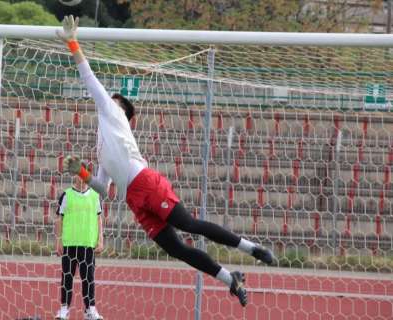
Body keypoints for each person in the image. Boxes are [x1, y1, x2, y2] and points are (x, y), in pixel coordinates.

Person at [56, 15, 275, 307]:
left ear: (121, 110)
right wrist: (83, 173)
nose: (110, 98)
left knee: (190, 224)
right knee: (176, 249)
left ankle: (253, 249)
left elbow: (89, 78)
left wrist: (73, 43)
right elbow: (104, 190)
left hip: (146, 183)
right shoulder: (102, 146)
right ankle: (230, 279)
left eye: (115, 99)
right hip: (134, 199)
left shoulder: (113, 113)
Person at [55, 176, 104, 320]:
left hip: (88, 244)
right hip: (69, 243)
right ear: (74, 176)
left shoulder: (95, 196)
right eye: (78, 174)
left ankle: (90, 309)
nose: (81, 178)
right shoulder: (66, 195)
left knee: (88, 278)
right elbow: (60, 218)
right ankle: (64, 309)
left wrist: (100, 239)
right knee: (67, 277)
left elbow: (99, 219)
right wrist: (58, 241)